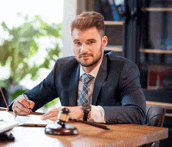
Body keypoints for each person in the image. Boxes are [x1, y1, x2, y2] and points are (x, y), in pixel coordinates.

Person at [10, 11, 146, 124]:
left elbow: (137, 113)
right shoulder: (63, 68)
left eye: (90, 42)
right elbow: (31, 97)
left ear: (103, 42)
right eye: (77, 43)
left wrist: (84, 111)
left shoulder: (124, 69)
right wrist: (21, 103)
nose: (83, 50)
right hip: (71, 140)